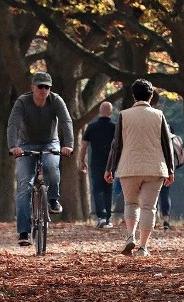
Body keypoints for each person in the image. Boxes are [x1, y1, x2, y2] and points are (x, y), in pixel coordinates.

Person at [105, 79, 174, 257]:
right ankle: (143, 247)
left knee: (131, 203)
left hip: (129, 167)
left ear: (134, 96)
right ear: (151, 96)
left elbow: (116, 145)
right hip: (154, 167)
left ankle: (130, 236)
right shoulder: (159, 115)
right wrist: (171, 169)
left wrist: (110, 168)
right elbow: (167, 145)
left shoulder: (124, 115)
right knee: (148, 207)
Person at [7, 71, 74, 246]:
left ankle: (53, 198)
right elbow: (13, 124)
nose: (44, 90)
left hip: (50, 143)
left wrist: (69, 145)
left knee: (51, 167)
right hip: (26, 144)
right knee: (24, 187)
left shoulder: (56, 100)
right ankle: (24, 232)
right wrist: (13, 146)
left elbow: (66, 122)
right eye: (40, 86)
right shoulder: (22, 102)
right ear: (32, 87)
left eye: (47, 87)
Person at [81, 101, 117, 228]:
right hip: (111, 163)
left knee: (97, 189)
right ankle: (107, 218)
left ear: (99, 111)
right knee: (108, 190)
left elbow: (84, 145)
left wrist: (81, 160)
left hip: (96, 163)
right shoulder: (115, 127)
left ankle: (101, 216)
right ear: (111, 112)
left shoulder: (91, 127)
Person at [157, 123, 178, 230]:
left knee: (152, 194)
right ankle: (166, 219)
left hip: (155, 169)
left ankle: (152, 219)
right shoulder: (173, 139)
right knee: (165, 194)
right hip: (168, 170)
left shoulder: (155, 137)